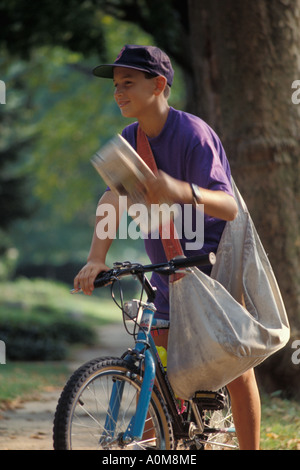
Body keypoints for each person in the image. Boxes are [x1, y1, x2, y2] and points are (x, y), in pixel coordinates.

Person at [74, 44, 261, 450]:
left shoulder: (193, 135)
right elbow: (113, 199)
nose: (118, 93)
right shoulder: (130, 139)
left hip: (211, 270)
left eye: (128, 83)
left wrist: (181, 189)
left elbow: (229, 207)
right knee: (161, 374)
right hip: (167, 272)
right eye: (115, 86)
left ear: (159, 85)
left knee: (234, 365)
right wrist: (95, 259)